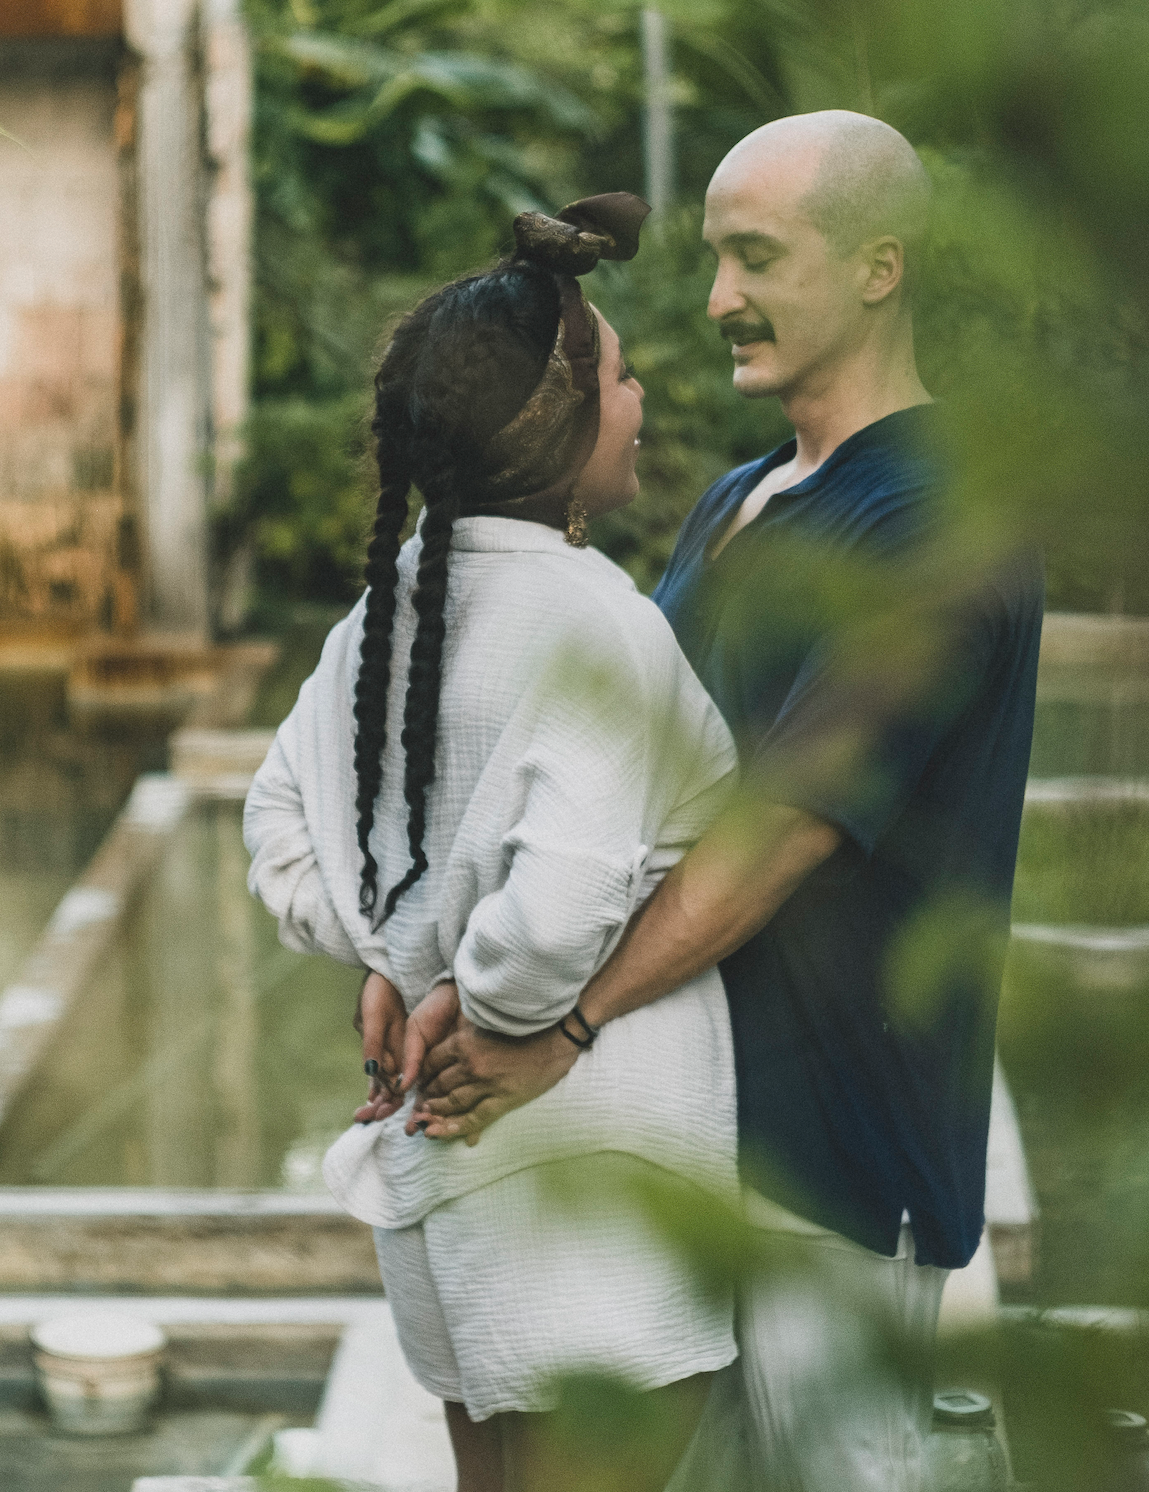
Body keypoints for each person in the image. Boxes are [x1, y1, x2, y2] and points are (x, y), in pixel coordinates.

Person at [407, 112, 1045, 1491]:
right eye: (712, 258)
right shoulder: (740, 500)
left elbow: (785, 825)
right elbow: (608, 784)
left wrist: (564, 1023)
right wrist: (455, 970)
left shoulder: (941, 519)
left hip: (835, 1158)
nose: (714, 299)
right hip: (683, 1127)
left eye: (755, 256)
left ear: (878, 267)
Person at [243, 194, 744, 1492]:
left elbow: (278, 828)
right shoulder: (598, 623)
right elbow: (562, 895)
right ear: (560, 427)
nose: (638, 398)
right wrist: (495, 1003)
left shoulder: (384, 618)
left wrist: (387, 951)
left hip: (445, 1181)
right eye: (620, 378)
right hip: (589, 1173)